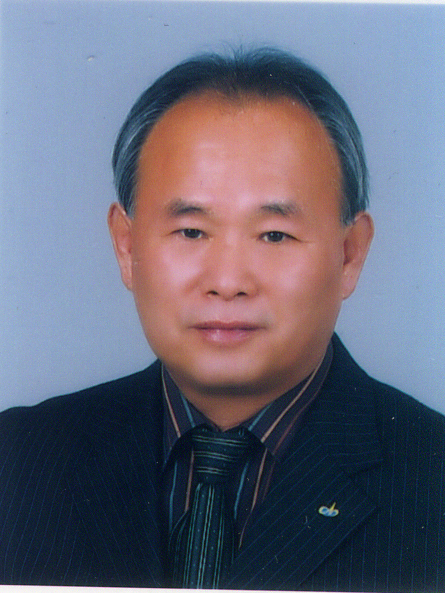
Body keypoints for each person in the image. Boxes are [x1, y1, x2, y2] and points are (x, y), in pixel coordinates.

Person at [0, 48, 443, 592]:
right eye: (191, 231)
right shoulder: (18, 463)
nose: (228, 281)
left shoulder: (432, 480)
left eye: (274, 235)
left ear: (350, 254)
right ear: (127, 247)